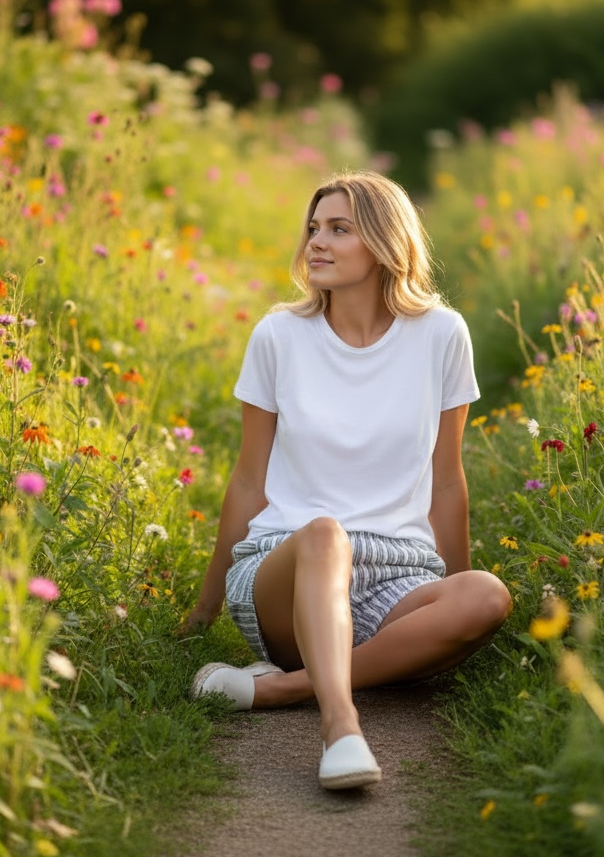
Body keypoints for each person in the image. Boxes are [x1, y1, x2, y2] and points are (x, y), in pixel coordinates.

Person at [183, 170, 511, 790]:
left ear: (385, 243)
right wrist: (204, 610)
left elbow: (446, 481)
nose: (316, 242)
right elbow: (249, 481)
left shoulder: (442, 334)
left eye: (339, 229)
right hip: (286, 570)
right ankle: (341, 728)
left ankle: (283, 689)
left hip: (396, 576)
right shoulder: (279, 336)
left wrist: (451, 595)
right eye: (314, 228)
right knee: (324, 533)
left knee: (487, 595)